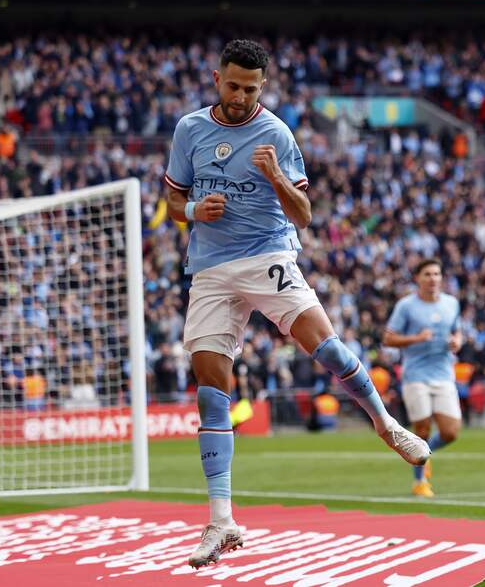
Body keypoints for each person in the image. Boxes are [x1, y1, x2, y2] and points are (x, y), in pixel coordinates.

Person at [163, 39, 430, 569]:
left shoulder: (276, 133)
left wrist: (277, 178)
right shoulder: (189, 129)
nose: (241, 96)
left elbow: (305, 213)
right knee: (211, 392)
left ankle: (383, 422)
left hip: (268, 255)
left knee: (325, 349)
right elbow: (172, 199)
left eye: (252, 89)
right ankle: (221, 522)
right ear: (217, 79)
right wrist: (194, 208)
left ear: (264, 87)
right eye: (234, 86)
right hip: (210, 269)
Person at [383, 258, 463, 498]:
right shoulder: (406, 306)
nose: (433, 279)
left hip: (443, 373)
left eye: (437, 274)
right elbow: (388, 339)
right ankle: (420, 482)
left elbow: (457, 330)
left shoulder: (451, 303)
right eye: (427, 274)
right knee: (423, 429)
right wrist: (416, 338)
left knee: (451, 432)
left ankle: (423, 455)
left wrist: (457, 341)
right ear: (417, 278)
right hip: (415, 375)